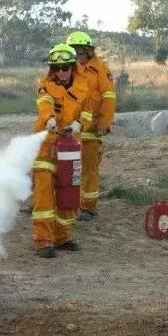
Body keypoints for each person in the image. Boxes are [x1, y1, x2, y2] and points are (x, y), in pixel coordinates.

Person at [32, 43, 92, 258]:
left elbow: (87, 112)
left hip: (70, 147)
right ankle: (43, 242)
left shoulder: (83, 87)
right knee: (44, 196)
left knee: (69, 191)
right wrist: (49, 119)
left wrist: (78, 124)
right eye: (56, 68)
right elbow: (44, 104)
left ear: (72, 66)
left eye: (65, 67)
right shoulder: (45, 85)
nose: (61, 72)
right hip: (46, 147)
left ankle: (62, 238)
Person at [66, 31, 116, 221]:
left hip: (92, 128)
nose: (77, 54)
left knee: (88, 168)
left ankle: (88, 207)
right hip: (70, 126)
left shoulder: (100, 69)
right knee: (66, 167)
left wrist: (105, 123)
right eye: (73, 51)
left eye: (80, 50)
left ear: (88, 50)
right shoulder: (68, 69)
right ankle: (66, 202)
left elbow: (109, 97)